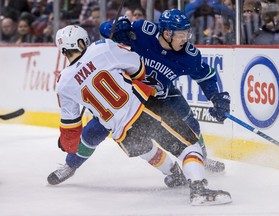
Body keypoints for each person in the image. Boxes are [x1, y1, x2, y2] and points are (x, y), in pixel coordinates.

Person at [47, 25, 232, 205]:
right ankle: (198, 189)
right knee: (188, 146)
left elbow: (70, 125)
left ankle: (174, 174)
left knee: (149, 151)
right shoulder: (101, 48)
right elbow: (138, 69)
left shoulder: (63, 83)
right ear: (81, 42)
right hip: (143, 110)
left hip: (120, 133)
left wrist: (66, 143)